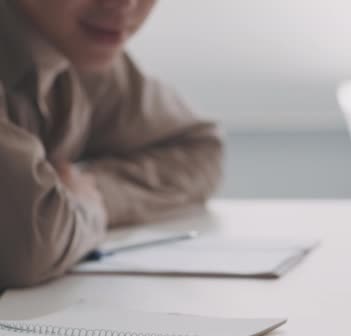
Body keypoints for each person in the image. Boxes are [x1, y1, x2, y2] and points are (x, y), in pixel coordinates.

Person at [0, 0, 223, 288]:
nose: (125, 3)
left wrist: (88, 193)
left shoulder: (71, 48)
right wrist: (72, 206)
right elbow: (30, 246)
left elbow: (201, 150)